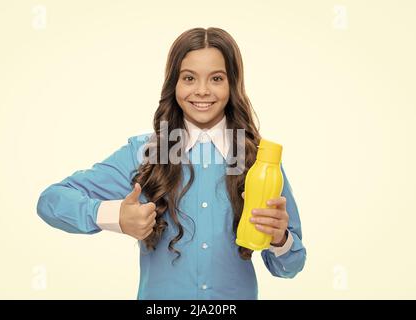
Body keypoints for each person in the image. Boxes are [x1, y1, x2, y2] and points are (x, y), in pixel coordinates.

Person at [37, 27, 306, 300]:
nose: (202, 91)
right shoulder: (145, 152)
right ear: (173, 84)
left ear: (232, 84)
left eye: (216, 78)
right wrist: (115, 216)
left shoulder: (258, 160)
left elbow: (291, 267)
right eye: (189, 78)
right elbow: (51, 201)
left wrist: (279, 239)